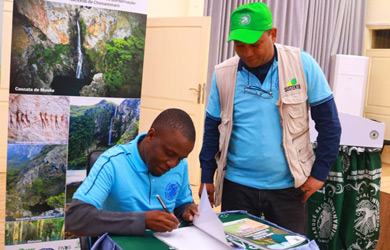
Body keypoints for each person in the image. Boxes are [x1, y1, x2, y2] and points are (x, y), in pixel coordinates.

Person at [199, 2, 341, 235]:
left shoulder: (302, 64)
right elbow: (212, 129)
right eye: (239, 45)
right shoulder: (223, 73)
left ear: (272, 34)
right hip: (238, 186)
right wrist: (206, 176)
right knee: (236, 244)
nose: (247, 53)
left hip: (289, 187)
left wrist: (319, 174)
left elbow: (330, 125)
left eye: (255, 45)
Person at [66, 108, 199, 238]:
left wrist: (187, 211)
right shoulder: (112, 163)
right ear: (151, 135)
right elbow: (76, 218)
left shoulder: (180, 166)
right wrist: (142, 221)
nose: (173, 164)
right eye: (169, 154)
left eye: (180, 158)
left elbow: (182, 204)